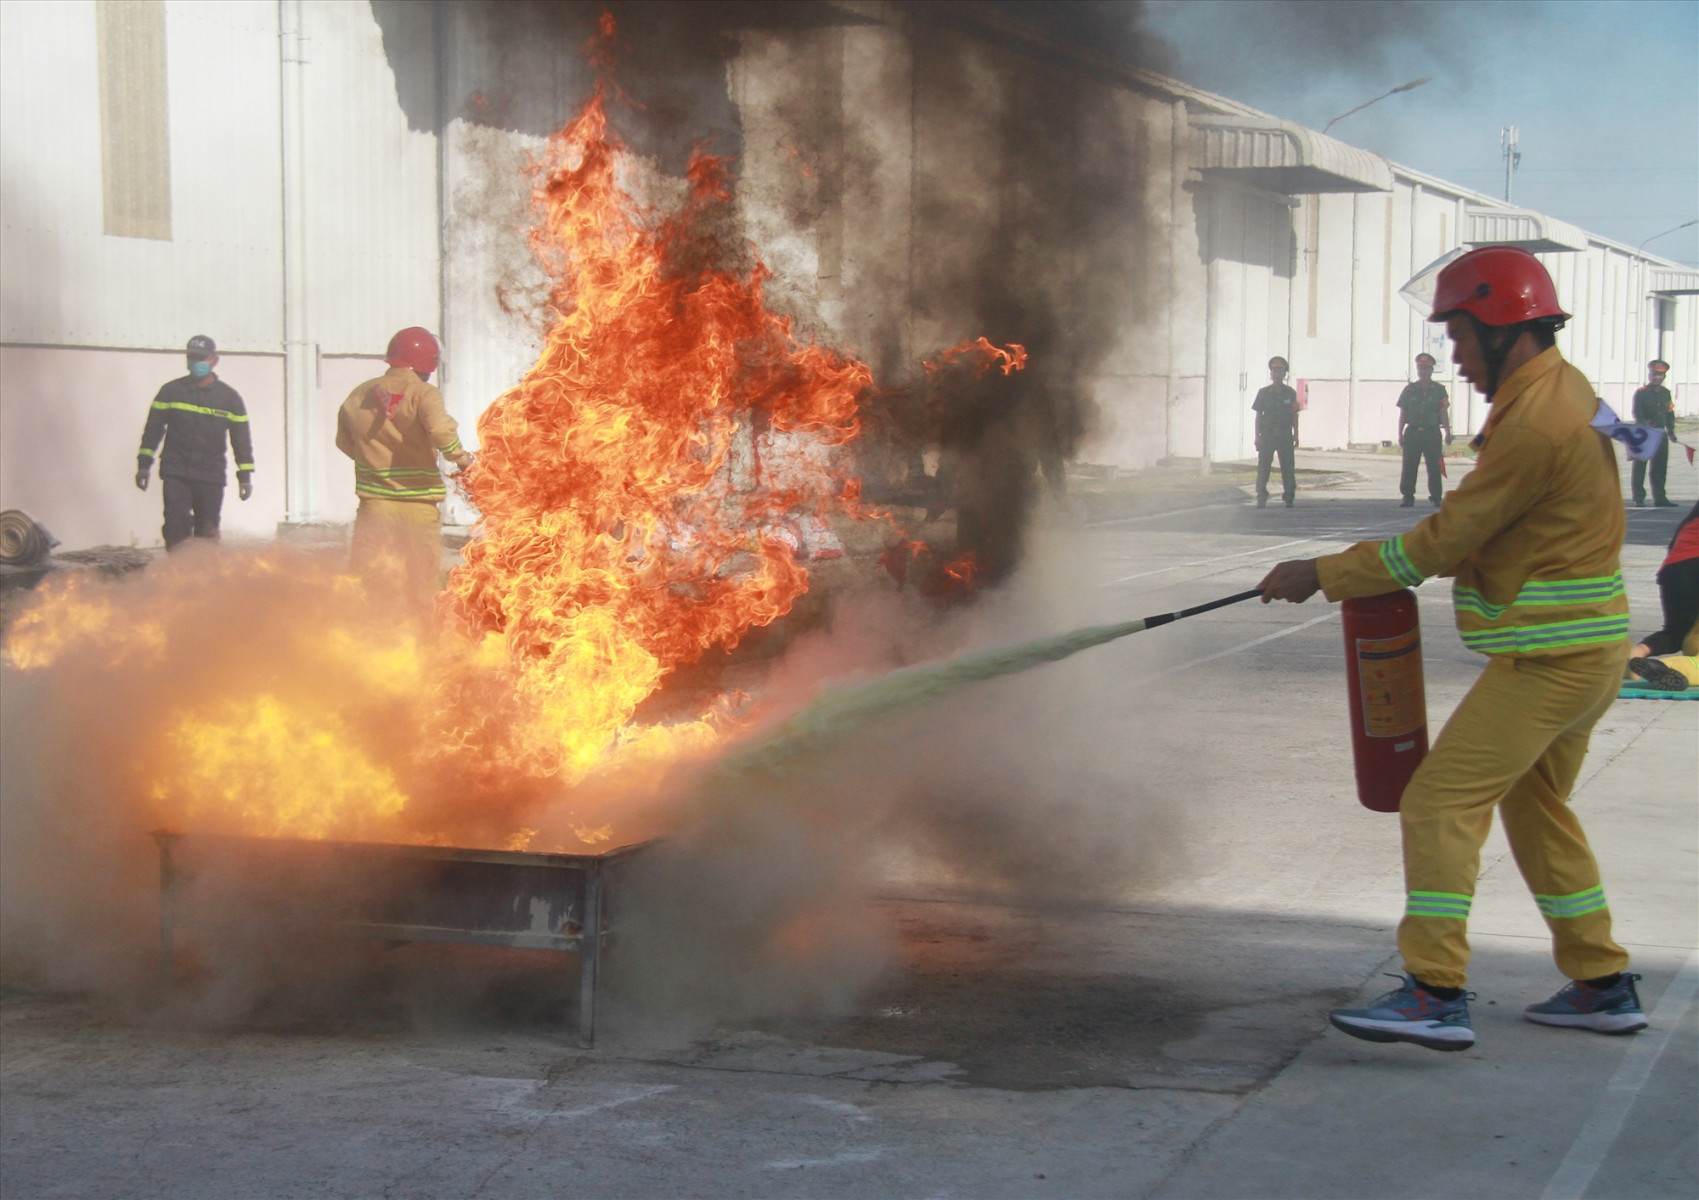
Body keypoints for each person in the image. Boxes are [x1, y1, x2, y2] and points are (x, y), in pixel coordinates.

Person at [1258, 245, 1646, 1052]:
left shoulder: (1534, 425)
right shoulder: (1562, 389)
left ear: (1503, 328)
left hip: (1552, 660)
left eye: (1461, 337)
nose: (1456, 357)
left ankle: (1434, 992)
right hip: (1587, 649)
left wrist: (1320, 573)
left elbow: (1436, 545)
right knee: (1535, 807)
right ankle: (1601, 981)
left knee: (1438, 803)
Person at [335, 327, 472, 612]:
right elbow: (440, 431)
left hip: (375, 506)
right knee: (420, 584)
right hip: (418, 507)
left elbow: (344, 442)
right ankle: (419, 642)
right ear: (429, 364)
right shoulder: (424, 393)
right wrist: (462, 460)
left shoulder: (359, 394)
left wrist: (376, 464)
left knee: (365, 581)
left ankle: (355, 640)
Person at [135, 335, 254, 549]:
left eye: (201, 357)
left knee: (207, 532)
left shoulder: (229, 398)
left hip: (210, 475)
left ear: (214, 360)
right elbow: (152, 430)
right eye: (192, 357)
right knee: (175, 526)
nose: (196, 362)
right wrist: (144, 465)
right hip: (176, 472)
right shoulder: (170, 392)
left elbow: (241, 439)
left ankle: (204, 577)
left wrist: (244, 476)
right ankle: (178, 573)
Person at [1624, 499, 1699, 690]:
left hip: (1675, 566)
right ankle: (1672, 668)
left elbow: (1676, 541)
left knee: (1676, 632)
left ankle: (1634, 657)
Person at [1396, 352, 1451, 508]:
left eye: (1426, 369)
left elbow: (1443, 412)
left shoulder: (1440, 390)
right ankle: (1407, 496)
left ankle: (1436, 496)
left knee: (1435, 466)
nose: (1423, 372)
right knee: (1409, 466)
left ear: (1431, 371)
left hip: (1432, 432)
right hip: (1413, 432)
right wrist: (1399, 433)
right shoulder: (1409, 390)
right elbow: (1403, 413)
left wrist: (1447, 432)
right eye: (1420, 368)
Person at [1252, 356, 1299, 508]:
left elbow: (1294, 415)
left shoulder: (1290, 393)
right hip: (1268, 435)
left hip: (1285, 434)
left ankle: (1289, 496)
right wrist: (1257, 436)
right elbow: (1259, 415)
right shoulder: (1263, 393)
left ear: (1284, 374)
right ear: (1270, 374)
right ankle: (1261, 495)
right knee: (1264, 467)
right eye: (1274, 371)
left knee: (1287, 467)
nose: (1277, 374)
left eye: (1280, 371)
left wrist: (1296, 434)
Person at [1630, 359, 1677, 507]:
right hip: (1643, 434)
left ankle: (1660, 498)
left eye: (1660, 375)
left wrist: (1671, 431)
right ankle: (1639, 497)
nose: (1656, 377)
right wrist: (1644, 423)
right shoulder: (1641, 393)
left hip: (1660, 434)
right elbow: (1636, 411)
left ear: (1664, 377)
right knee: (1640, 467)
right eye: (1654, 374)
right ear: (1650, 375)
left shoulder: (1666, 393)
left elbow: (1669, 413)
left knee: (1660, 467)